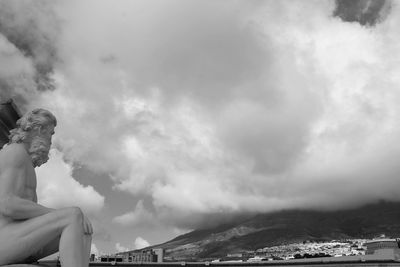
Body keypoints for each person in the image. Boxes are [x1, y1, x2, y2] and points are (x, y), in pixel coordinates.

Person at [0, 109, 93, 267]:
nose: (51, 141)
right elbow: (7, 205)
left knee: (84, 228)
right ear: (40, 130)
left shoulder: (26, 161)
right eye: (50, 134)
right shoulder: (14, 152)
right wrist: (56, 214)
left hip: (16, 235)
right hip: (4, 239)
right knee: (73, 215)